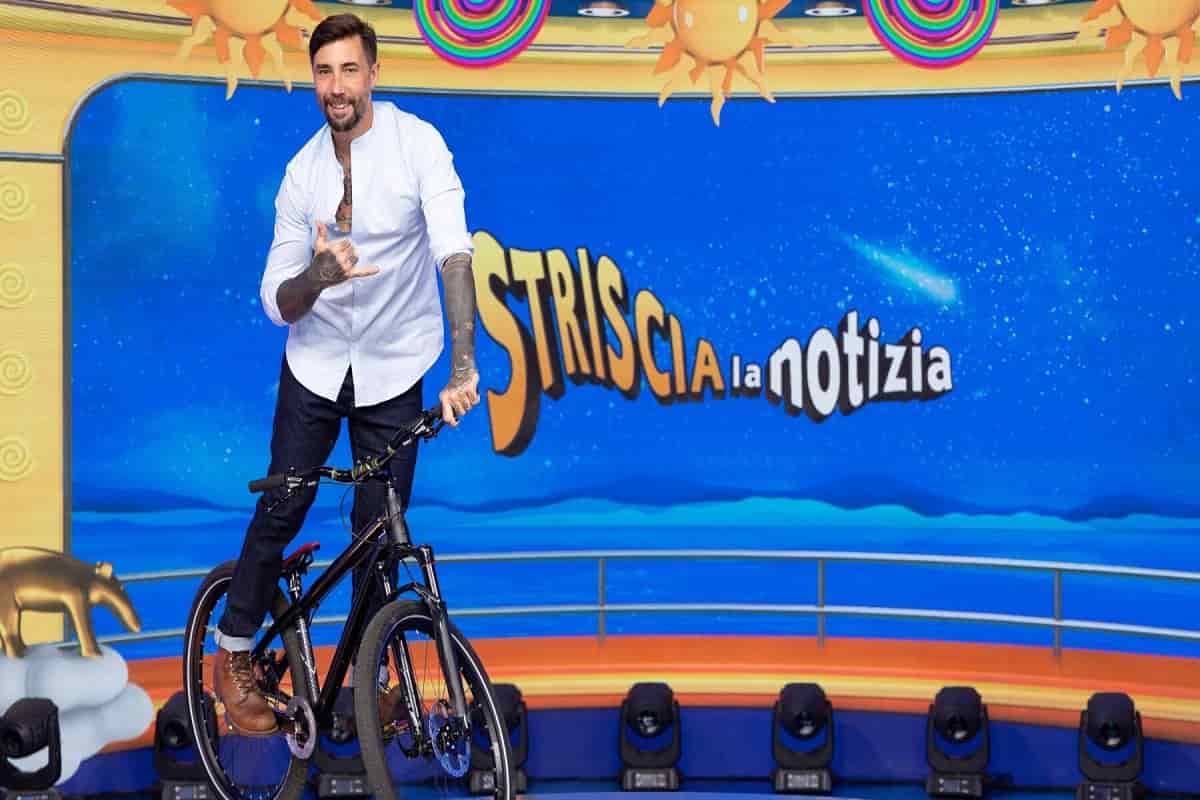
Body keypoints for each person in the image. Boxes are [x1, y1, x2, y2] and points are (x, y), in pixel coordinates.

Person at [212, 12, 480, 735]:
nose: (337, 86)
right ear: (314, 79)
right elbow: (277, 300)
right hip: (318, 366)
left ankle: (371, 673)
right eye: (325, 72)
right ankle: (232, 650)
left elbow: (454, 253)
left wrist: (463, 366)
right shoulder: (302, 175)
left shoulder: (419, 145)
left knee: (379, 529)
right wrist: (318, 277)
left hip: (396, 367)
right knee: (284, 506)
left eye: (350, 70)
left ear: (373, 74)